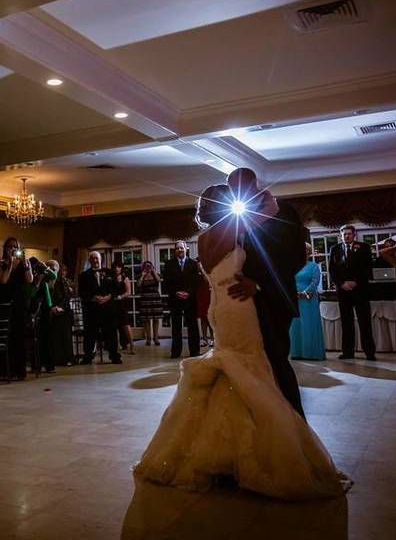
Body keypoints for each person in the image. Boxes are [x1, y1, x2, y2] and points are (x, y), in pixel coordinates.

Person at [135, 181, 348, 498]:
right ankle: (265, 451)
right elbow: (272, 213)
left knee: (230, 366)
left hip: (218, 310)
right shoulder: (235, 225)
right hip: (239, 308)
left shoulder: (204, 237)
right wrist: (265, 198)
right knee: (251, 369)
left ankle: (224, 452)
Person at [226, 168, 310, 417]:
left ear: (254, 184)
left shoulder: (282, 211)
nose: (236, 192)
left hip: (274, 298)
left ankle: (294, 423)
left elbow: (296, 258)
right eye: (232, 188)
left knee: (275, 360)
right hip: (243, 303)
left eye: (240, 186)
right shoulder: (236, 215)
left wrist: (259, 283)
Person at [328, 225, 376, 361]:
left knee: (364, 322)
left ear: (354, 234)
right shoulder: (335, 249)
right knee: (346, 322)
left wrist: (355, 282)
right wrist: (341, 284)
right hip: (343, 292)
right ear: (341, 235)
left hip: (360, 290)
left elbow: (367, 268)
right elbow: (332, 270)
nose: (346, 236)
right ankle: (348, 352)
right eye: (344, 234)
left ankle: (369, 352)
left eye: (349, 233)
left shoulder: (364, 247)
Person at [78, 251, 121, 364]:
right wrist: (93, 298)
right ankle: (88, 356)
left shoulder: (110, 273)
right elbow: (81, 292)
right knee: (89, 333)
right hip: (92, 310)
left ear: (101, 259)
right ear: (89, 261)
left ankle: (114, 355)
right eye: (92, 259)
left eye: (97, 258)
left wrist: (109, 297)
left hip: (108, 309)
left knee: (111, 333)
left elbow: (117, 289)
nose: (95, 261)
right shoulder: (83, 276)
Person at [0, 237, 34, 379]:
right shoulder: (2, 263)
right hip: (7, 302)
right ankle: (7, 371)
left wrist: (25, 264)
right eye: (10, 246)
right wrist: (11, 264)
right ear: (5, 248)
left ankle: (20, 371)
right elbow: (3, 280)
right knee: (9, 337)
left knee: (19, 337)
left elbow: (30, 279)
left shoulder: (25, 263)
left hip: (20, 303)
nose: (13, 249)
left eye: (15, 246)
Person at [163, 240, 202, 358]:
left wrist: (188, 293)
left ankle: (194, 351)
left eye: (181, 248)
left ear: (186, 249)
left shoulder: (193, 263)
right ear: (175, 251)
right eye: (177, 248)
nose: (180, 250)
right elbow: (166, 282)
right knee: (176, 327)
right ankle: (175, 352)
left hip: (190, 300)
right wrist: (176, 292)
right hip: (175, 300)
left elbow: (196, 281)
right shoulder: (169, 264)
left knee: (193, 326)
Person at [289, 244, 325, 360]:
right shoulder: (292, 266)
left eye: (305, 250)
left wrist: (304, 293)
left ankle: (311, 353)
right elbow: (288, 279)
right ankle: (296, 352)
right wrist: (294, 292)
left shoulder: (313, 266)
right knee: (296, 324)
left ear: (309, 252)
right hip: (294, 298)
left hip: (308, 298)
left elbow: (315, 282)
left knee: (309, 324)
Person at [46, 260, 75, 366]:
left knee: (65, 336)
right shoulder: (51, 280)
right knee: (56, 336)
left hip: (63, 310)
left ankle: (67, 358)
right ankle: (58, 359)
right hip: (55, 309)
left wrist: (59, 307)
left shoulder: (63, 281)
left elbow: (66, 297)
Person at [137, 261, 163, 346]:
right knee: (146, 319)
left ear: (152, 266)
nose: (148, 268)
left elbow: (159, 280)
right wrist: (143, 275)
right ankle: (148, 338)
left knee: (156, 319)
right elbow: (138, 284)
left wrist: (153, 271)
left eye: (149, 266)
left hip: (155, 298)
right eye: (146, 266)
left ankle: (156, 338)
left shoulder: (156, 274)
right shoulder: (142, 275)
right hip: (145, 298)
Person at [112, 261, 135, 354]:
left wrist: (120, 297)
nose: (117, 268)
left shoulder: (125, 278)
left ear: (121, 268)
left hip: (122, 304)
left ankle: (132, 345)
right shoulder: (112, 278)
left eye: (118, 267)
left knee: (126, 325)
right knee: (115, 326)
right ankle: (117, 346)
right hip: (113, 304)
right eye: (115, 267)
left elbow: (128, 292)